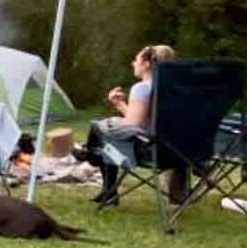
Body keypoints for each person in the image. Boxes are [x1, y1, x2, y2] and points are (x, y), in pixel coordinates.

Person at [74, 44, 185, 205]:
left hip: (148, 151)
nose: (133, 63)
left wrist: (110, 122)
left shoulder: (142, 88)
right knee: (107, 132)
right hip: (179, 152)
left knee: (100, 129)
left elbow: (132, 126)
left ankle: (91, 155)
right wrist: (120, 105)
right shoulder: (177, 89)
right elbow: (145, 122)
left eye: (136, 59)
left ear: (147, 64)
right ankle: (102, 178)